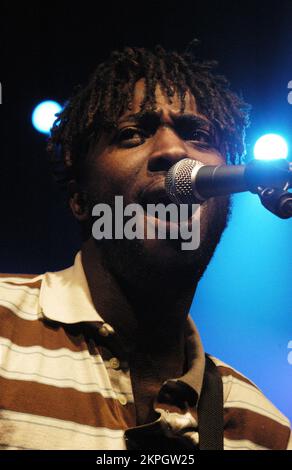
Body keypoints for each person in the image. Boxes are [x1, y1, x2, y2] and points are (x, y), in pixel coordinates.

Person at [0, 46, 291, 451]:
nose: (174, 152)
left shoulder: (264, 431)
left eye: (198, 135)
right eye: (132, 134)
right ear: (80, 198)